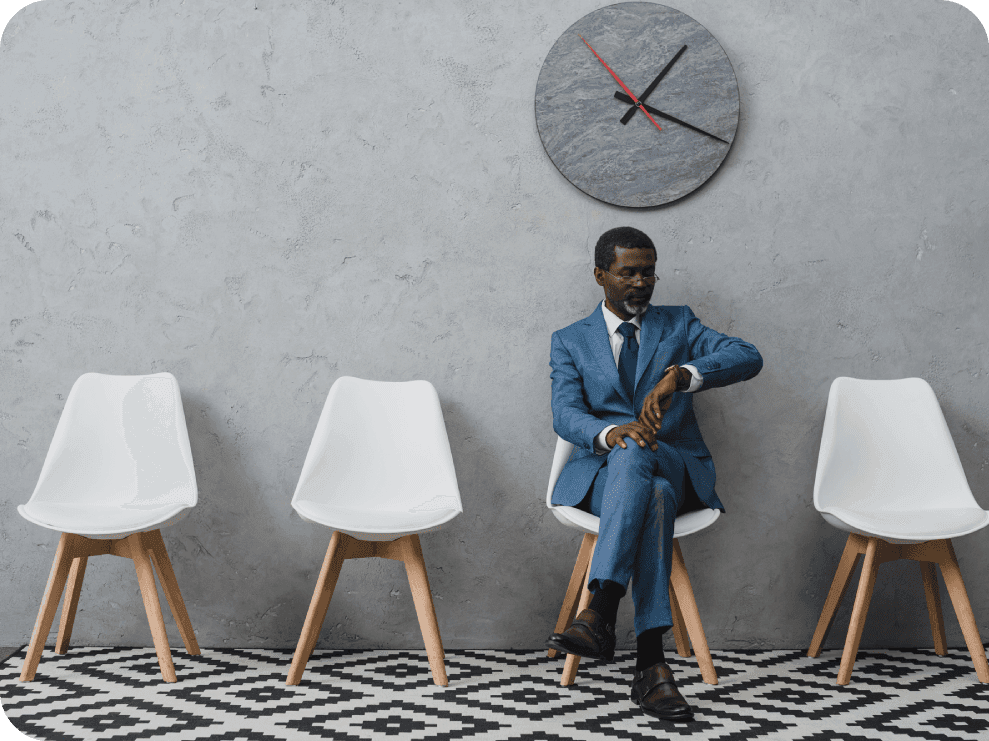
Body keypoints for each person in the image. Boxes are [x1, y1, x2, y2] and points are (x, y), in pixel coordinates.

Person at [545, 226, 762, 722]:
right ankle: (650, 664)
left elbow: (749, 356)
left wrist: (682, 376)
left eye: (649, 272)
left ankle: (601, 606)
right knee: (653, 493)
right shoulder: (570, 341)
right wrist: (611, 433)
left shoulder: (678, 324)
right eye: (628, 273)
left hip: (675, 459)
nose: (641, 283)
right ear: (601, 275)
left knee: (646, 461)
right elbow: (565, 414)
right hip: (602, 477)